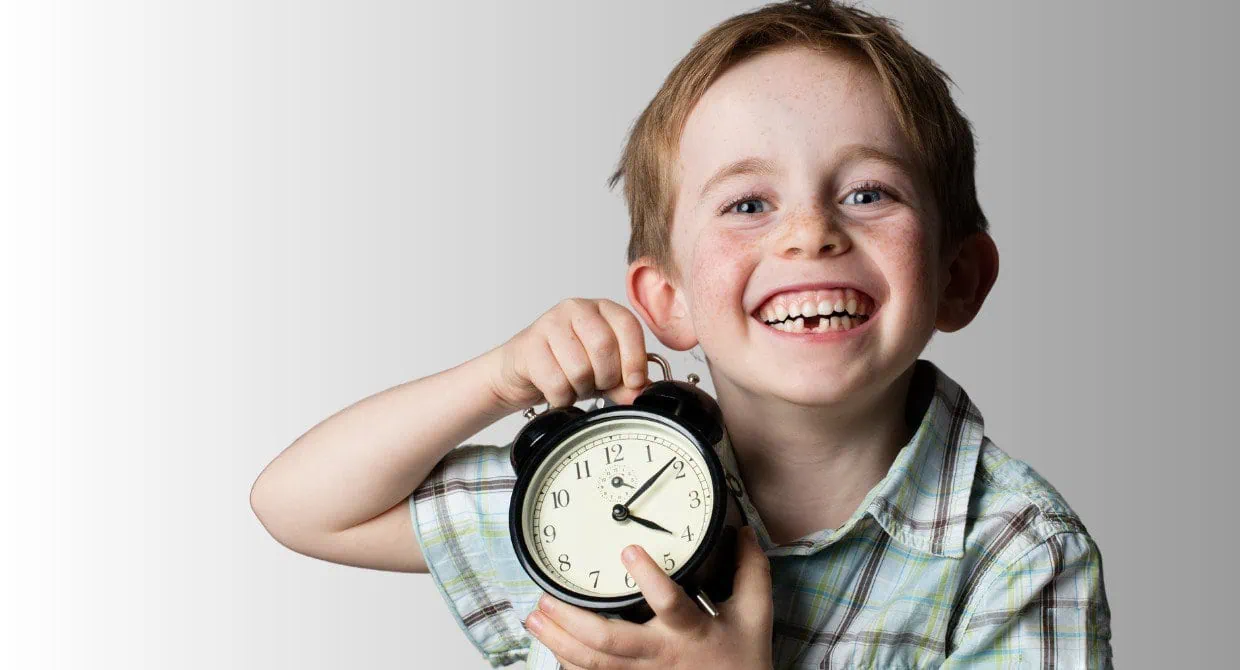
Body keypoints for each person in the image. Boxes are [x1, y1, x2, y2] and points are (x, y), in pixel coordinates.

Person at [250, 1, 1113, 667]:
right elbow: (301, 507)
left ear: (958, 278)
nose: (809, 233)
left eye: (868, 193)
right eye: (748, 204)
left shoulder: (1014, 552)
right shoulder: (597, 491)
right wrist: (499, 380)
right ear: (668, 299)